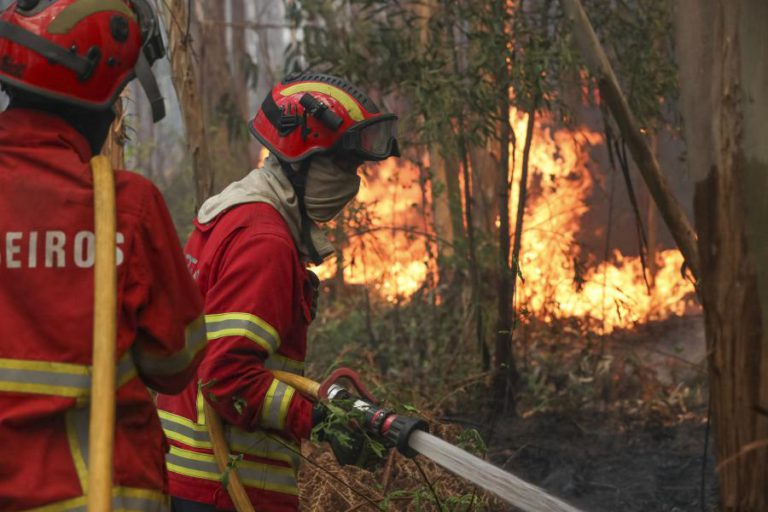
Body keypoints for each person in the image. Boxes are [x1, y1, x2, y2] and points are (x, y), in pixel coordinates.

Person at [156, 72, 401, 512]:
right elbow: (225, 375)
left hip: (190, 482)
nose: (351, 182)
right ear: (300, 159)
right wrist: (321, 422)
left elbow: (232, 358)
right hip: (224, 489)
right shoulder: (264, 241)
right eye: (341, 166)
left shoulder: (233, 215)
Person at [0, 1, 206, 510]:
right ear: (99, 98)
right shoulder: (125, 208)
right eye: (118, 96)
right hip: (102, 494)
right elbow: (175, 364)